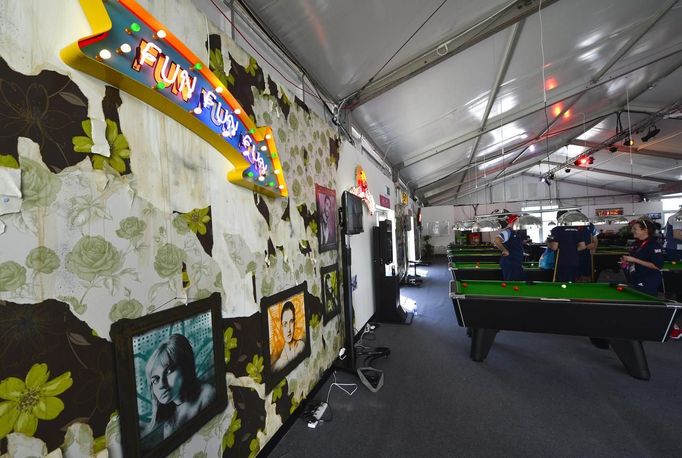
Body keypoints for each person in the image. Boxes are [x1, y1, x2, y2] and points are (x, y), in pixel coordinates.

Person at [142, 334, 216, 448]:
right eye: (155, 379)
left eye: (169, 371)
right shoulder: (168, 420)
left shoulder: (207, 395)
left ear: (185, 366)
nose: (161, 384)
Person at [620, 219, 664, 297]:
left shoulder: (654, 245)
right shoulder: (635, 243)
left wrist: (634, 260)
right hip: (636, 277)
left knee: (647, 304)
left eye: (635, 229)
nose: (632, 231)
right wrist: (626, 263)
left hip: (648, 279)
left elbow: (657, 266)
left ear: (645, 230)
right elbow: (633, 261)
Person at [547, 211, 587, 283]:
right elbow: (583, 246)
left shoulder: (556, 229)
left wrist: (548, 243)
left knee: (562, 283)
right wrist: (572, 250)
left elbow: (554, 247)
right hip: (575, 260)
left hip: (561, 261)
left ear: (558, 218)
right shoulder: (577, 229)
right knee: (574, 282)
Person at [272, 301, 305, 371]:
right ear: (281, 327)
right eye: (285, 324)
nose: (289, 329)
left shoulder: (300, 346)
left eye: (291, 322)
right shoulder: (281, 359)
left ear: (294, 323)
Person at [492, 214, 524, 281]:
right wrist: (505, 250)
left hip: (515, 263)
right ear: (513, 222)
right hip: (510, 264)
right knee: (511, 285)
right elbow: (496, 241)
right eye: (518, 221)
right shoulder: (508, 231)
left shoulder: (515, 232)